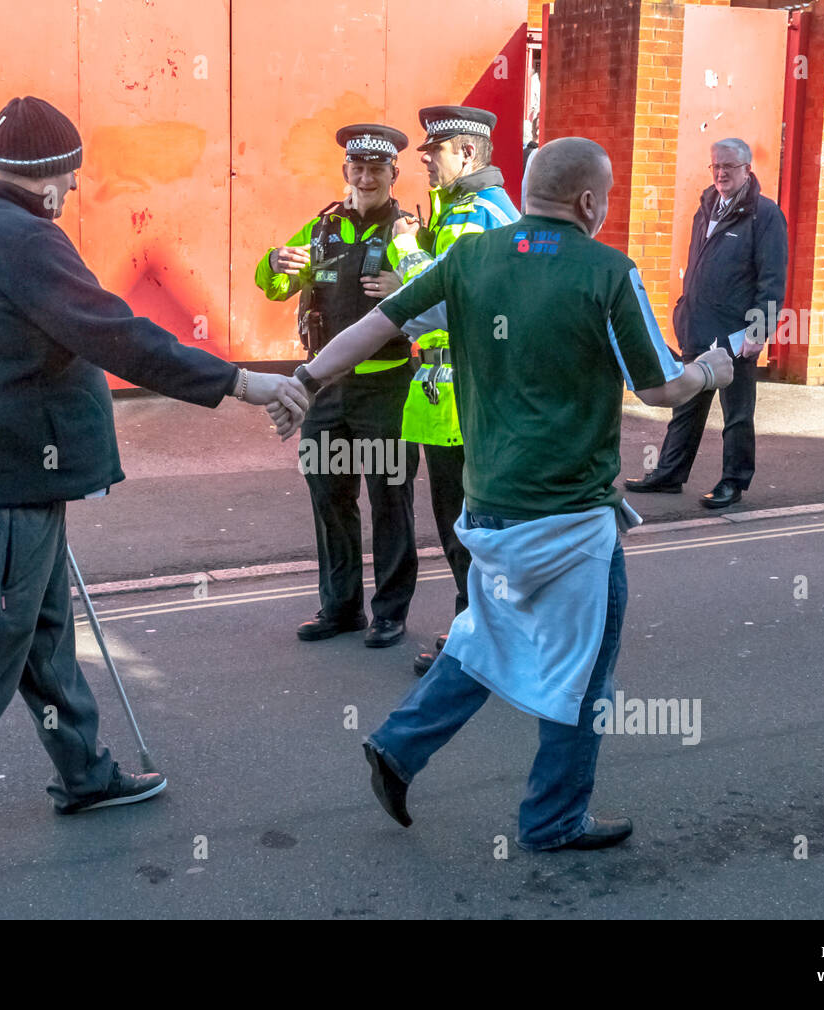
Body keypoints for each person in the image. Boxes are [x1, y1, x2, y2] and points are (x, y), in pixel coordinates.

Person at [0, 96, 308, 861]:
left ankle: (86, 775)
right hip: (4, 485)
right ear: (53, 176)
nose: (74, 192)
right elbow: (114, 332)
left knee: (43, 640)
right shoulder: (23, 237)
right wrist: (238, 382)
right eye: (73, 178)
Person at [284, 137, 734, 851]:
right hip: (571, 520)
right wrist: (712, 371)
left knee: (485, 637)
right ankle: (554, 819)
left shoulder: (468, 260)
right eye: (607, 196)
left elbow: (376, 325)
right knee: (583, 669)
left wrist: (304, 383)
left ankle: (399, 747)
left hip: (489, 509)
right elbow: (658, 385)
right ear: (589, 202)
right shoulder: (607, 272)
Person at [256, 125, 420, 649]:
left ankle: (390, 613)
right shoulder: (322, 227)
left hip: (388, 389)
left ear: (394, 174)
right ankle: (341, 608)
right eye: (358, 168)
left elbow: (440, 289)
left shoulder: (410, 230)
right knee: (330, 498)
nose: (367, 177)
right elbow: (277, 285)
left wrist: (406, 286)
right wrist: (275, 263)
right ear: (346, 172)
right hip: (326, 392)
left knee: (389, 501)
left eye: (377, 169)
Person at [387, 105, 519, 676]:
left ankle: (474, 639)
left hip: (465, 402)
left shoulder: (473, 215)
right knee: (481, 526)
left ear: (466, 153)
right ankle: (488, 630)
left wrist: (406, 248)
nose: (423, 158)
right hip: (466, 397)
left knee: (465, 528)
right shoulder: (481, 209)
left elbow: (436, 303)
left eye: (432, 149)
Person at [625, 138, 788, 508]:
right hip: (699, 326)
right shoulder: (706, 207)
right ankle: (669, 474)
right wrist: (685, 309)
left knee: (737, 414)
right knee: (686, 405)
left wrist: (758, 330)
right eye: (715, 165)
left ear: (747, 168)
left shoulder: (765, 215)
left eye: (729, 166)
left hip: (736, 336)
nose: (720, 172)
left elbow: (773, 279)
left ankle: (733, 482)